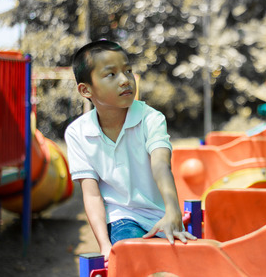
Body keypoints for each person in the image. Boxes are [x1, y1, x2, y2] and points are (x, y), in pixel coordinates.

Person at [65, 40, 196, 260]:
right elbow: (92, 195)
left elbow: (161, 165)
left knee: (184, 263)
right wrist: (104, 245)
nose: (126, 80)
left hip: (158, 215)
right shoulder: (77, 133)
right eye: (111, 74)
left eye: (128, 70)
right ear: (85, 89)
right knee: (134, 252)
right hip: (120, 218)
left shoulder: (151, 118)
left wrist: (173, 210)